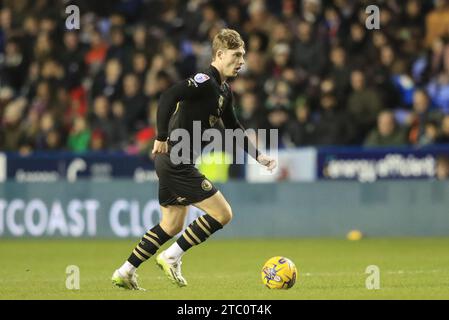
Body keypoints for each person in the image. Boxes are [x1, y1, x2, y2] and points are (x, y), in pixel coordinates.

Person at [111, 29, 276, 290]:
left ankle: (125, 270)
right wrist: (161, 135)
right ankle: (171, 256)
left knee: (172, 223)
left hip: (173, 161)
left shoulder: (224, 91)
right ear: (220, 55)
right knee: (223, 213)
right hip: (176, 159)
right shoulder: (204, 82)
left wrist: (259, 156)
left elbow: (234, 129)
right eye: (236, 55)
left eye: (243, 55)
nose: (241, 61)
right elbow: (168, 96)